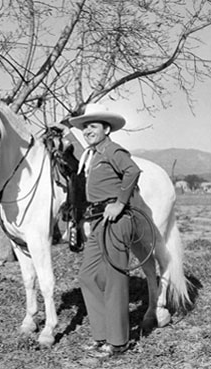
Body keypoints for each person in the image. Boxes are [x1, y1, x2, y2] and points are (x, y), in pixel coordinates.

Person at [69, 103, 152, 359]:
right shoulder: (94, 154)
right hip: (97, 221)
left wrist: (119, 202)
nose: (87, 131)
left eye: (92, 126)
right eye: (84, 128)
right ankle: (102, 335)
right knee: (87, 276)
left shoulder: (113, 150)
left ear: (106, 129)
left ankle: (118, 342)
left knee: (115, 280)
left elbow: (132, 170)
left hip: (116, 220)